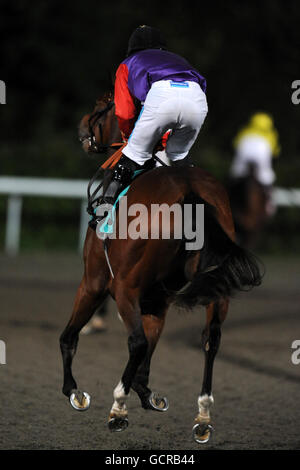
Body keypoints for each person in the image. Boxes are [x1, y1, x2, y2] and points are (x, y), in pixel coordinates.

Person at [101, 25, 208, 207]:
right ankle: (198, 202)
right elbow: (195, 93)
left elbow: (124, 113)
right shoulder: (178, 59)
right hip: (197, 100)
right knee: (179, 156)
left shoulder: (128, 63)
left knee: (134, 154)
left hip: (162, 98)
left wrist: (130, 140)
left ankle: (106, 205)